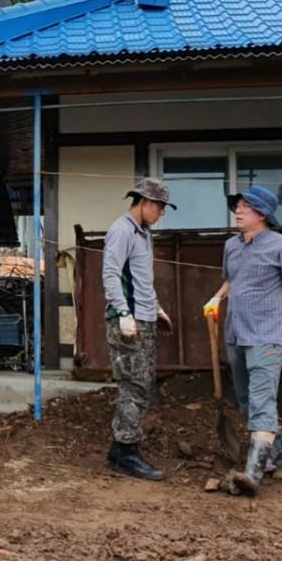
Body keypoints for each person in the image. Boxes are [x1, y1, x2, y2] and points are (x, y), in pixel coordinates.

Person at [204, 186, 282, 495]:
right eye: (237, 206)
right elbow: (232, 278)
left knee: (261, 399)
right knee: (246, 400)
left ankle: (252, 473)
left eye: (245, 207)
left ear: (262, 214)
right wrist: (216, 298)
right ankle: (275, 454)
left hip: (268, 335)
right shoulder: (232, 245)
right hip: (236, 332)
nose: (238, 211)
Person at [102, 178, 175, 480]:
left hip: (143, 317)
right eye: (158, 207)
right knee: (134, 385)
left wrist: (156, 309)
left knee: (143, 384)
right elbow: (110, 273)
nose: (160, 213)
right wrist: (123, 312)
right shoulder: (122, 230)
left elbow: (142, 279)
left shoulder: (143, 233)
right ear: (143, 202)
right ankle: (124, 452)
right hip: (128, 320)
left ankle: (123, 448)